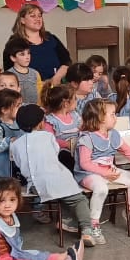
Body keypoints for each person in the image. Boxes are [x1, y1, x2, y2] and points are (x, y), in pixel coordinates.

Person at [12, 104, 103, 245]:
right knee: (79, 200)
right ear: (41, 123)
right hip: (57, 180)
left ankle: (66, 221)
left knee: (62, 195)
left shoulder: (15, 144)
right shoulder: (48, 136)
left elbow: (18, 163)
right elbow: (55, 154)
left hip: (36, 185)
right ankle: (86, 231)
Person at [75, 99, 130, 234]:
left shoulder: (113, 134)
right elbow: (84, 163)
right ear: (100, 118)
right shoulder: (87, 138)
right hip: (88, 174)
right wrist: (105, 173)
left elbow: (129, 152)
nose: (116, 117)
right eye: (112, 114)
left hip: (109, 171)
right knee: (101, 188)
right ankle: (93, 225)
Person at [3, 3, 71, 86]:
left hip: (56, 88)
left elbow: (67, 61)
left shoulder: (50, 38)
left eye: (39, 16)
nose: (38, 19)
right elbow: (9, 73)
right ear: (22, 20)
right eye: (33, 16)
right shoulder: (14, 43)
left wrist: (56, 78)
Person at [42, 84, 79, 173]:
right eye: (75, 99)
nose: (77, 101)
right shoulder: (51, 120)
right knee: (64, 157)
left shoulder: (75, 115)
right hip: (63, 152)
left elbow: (83, 128)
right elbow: (49, 140)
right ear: (66, 103)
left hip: (78, 148)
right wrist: (66, 144)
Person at [3, 39, 43, 105]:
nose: (27, 57)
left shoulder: (35, 73)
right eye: (22, 54)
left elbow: (41, 95)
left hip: (35, 110)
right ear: (13, 58)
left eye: (28, 53)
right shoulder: (8, 75)